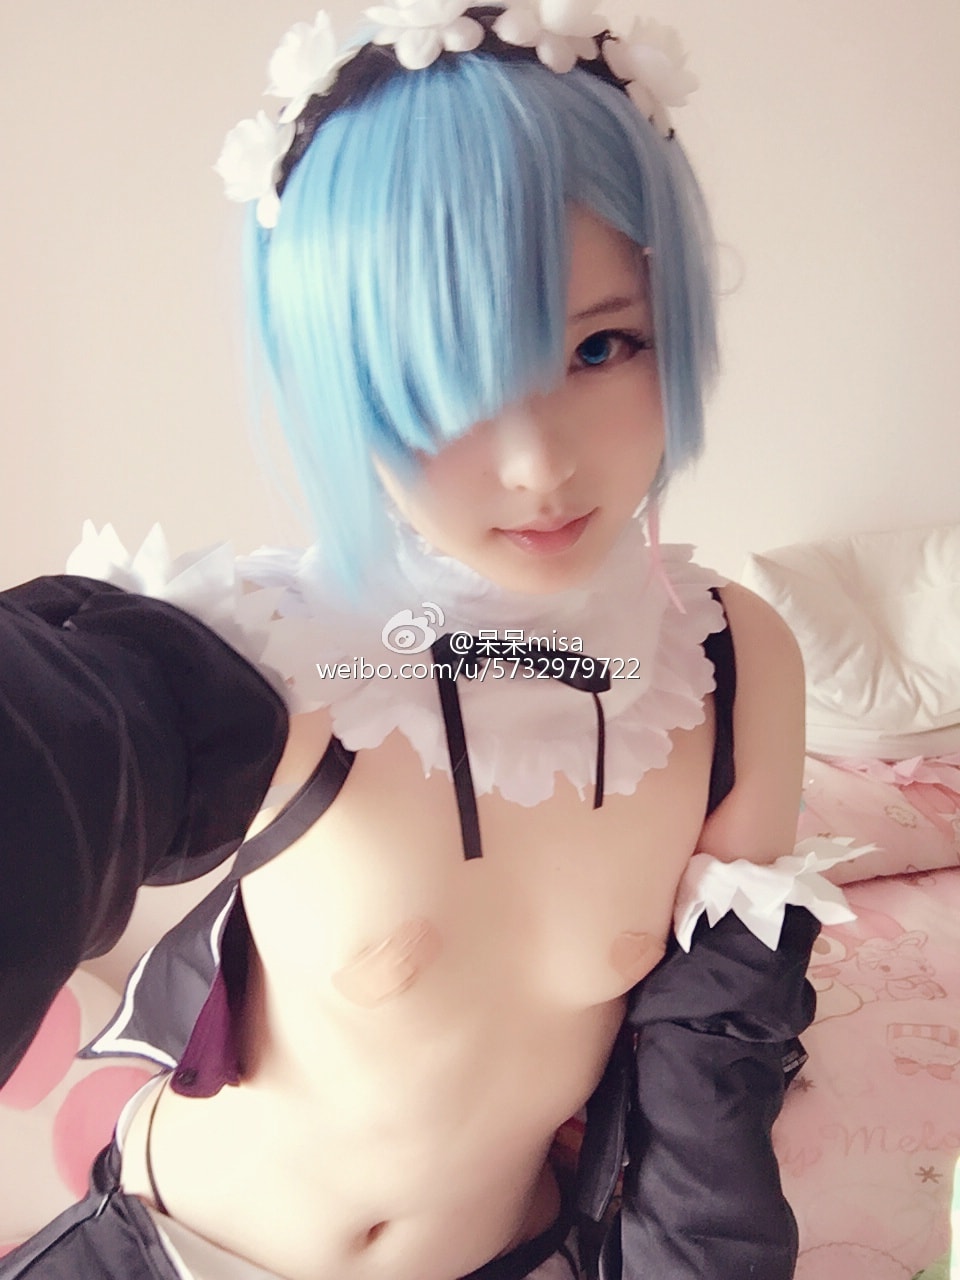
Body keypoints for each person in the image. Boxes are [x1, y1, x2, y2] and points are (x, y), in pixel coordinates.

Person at [0, 5, 852, 1278]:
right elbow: (57, 742)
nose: (539, 463)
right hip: (182, 1248)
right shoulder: (268, 651)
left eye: (600, 345)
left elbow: (711, 1071)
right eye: (446, 377)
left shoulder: (732, 666)